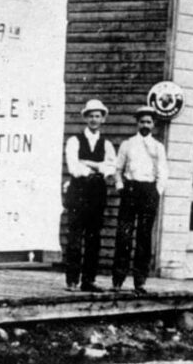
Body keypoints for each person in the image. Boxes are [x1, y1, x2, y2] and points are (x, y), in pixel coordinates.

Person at [112, 105, 168, 294]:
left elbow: (163, 173)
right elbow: (118, 169)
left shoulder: (158, 147)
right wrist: (121, 186)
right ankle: (118, 279)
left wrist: (156, 191)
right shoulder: (127, 144)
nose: (145, 125)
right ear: (137, 123)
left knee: (144, 237)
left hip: (148, 192)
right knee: (124, 235)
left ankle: (140, 281)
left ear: (153, 124)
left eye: (149, 122)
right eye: (142, 121)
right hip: (131, 189)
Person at [63, 99, 116, 292]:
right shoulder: (74, 140)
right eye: (91, 116)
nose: (94, 119)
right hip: (79, 191)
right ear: (85, 118)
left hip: (97, 193)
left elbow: (111, 167)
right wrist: (94, 169)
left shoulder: (107, 144)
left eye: (98, 116)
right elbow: (74, 167)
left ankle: (89, 280)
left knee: (94, 237)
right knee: (75, 236)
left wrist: (92, 165)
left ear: (103, 119)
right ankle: (72, 280)